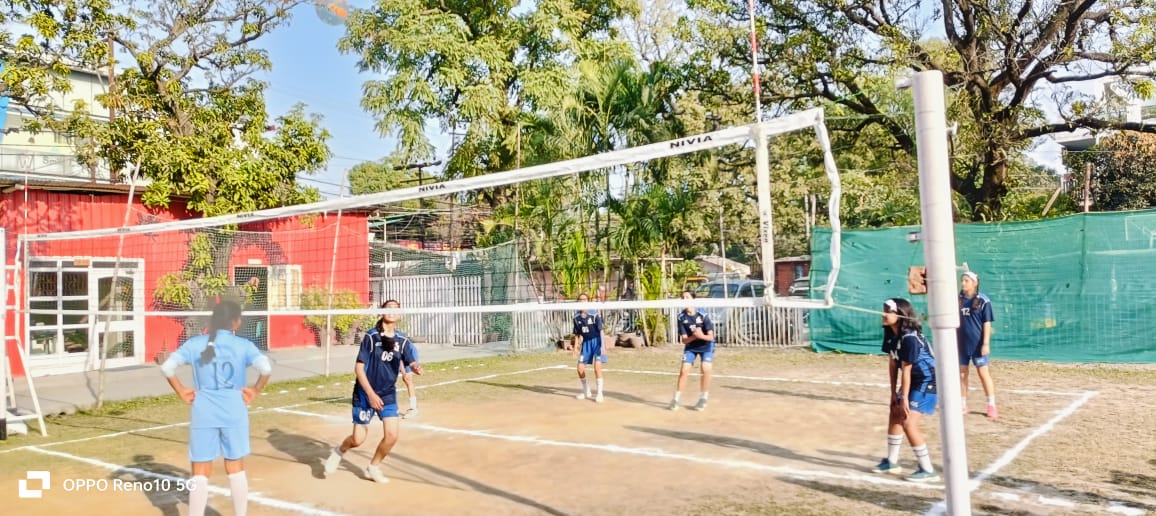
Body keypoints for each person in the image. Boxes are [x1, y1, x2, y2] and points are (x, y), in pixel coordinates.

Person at [161, 300, 272, 516]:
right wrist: (255, 390)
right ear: (236, 323)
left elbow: (167, 367)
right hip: (234, 409)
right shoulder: (244, 345)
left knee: (200, 471)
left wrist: (182, 390)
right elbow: (266, 368)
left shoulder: (195, 344)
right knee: (235, 467)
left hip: (204, 411)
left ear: (212, 320)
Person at [324, 299, 423, 483]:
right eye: (388, 308)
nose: (392, 311)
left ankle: (373, 466)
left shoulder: (402, 341)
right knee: (358, 439)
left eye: (396, 309)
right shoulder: (371, 337)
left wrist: (416, 367)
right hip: (365, 393)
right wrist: (370, 394)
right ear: (381, 311)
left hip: (387, 393)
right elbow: (359, 369)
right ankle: (339, 450)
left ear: (400, 315)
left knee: (392, 436)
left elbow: (410, 360)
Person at [871, 298, 940, 482]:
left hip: (927, 380)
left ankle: (927, 469)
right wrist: (894, 394)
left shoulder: (909, 337)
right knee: (895, 412)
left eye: (888, 311)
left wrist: (905, 400)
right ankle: (892, 462)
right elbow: (893, 365)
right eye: (884, 309)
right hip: (914, 378)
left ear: (900, 314)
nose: (883, 314)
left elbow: (907, 369)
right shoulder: (891, 334)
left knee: (908, 421)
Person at [958, 271, 998, 419]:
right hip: (962, 344)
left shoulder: (983, 301)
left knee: (983, 374)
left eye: (966, 281)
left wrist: (985, 343)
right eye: (962, 280)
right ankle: (962, 404)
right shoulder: (958, 300)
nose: (963, 283)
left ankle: (991, 405)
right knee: (962, 374)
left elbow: (986, 323)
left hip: (977, 345)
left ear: (974, 283)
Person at [669, 290, 714, 411]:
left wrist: (701, 336)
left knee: (706, 369)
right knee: (684, 371)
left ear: (693, 299)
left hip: (706, 345)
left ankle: (703, 397)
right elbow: (684, 340)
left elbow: (711, 337)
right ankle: (676, 399)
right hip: (691, 346)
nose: (685, 300)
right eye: (683, 298)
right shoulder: (681, 317)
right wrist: (694, 336)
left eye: (687, 297)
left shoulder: (703, 315)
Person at [572, 292, 606, 402]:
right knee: (580, 368)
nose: (582, 302)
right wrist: (575, 347)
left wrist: (603, 347)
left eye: (584, 299)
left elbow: (601, 331)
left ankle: (599, 394)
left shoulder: (594, 314)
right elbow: (577, 334)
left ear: (588, 301)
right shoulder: (576, 317)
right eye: (580, 300)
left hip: (597, 342)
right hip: (586, 343)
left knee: (597, 368)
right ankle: (587, 391)